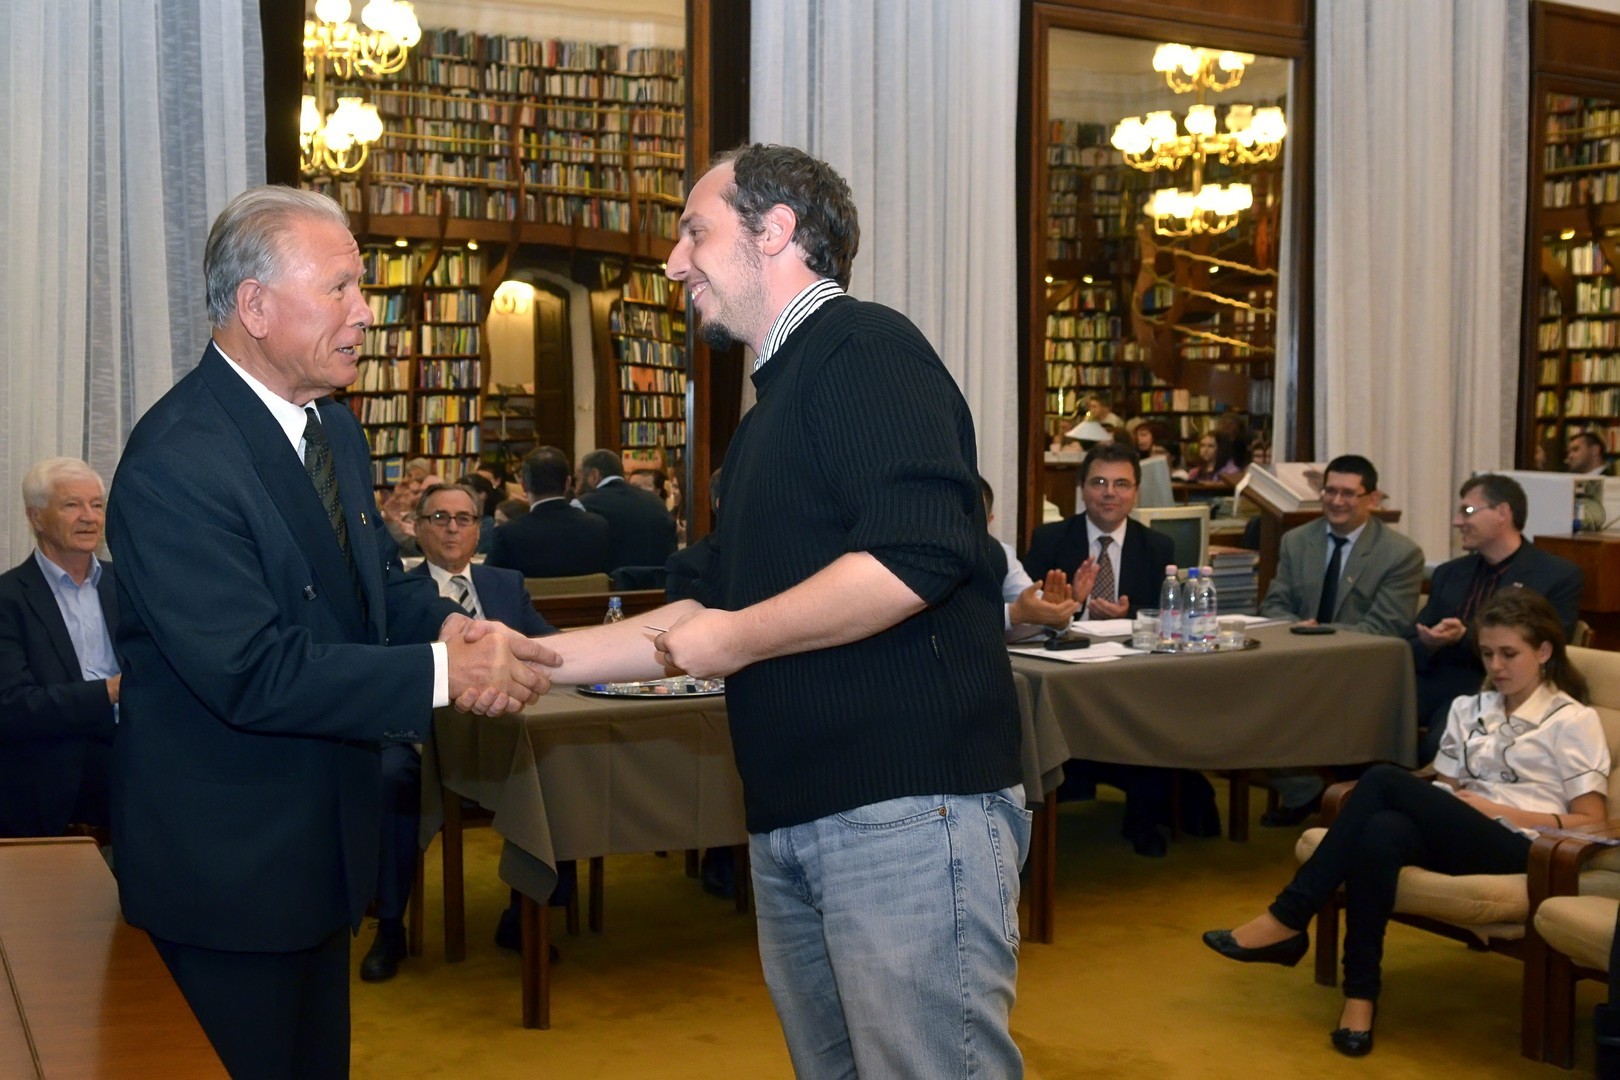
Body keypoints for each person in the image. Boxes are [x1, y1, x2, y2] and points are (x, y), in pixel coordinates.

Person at [531, 144, 1028, 1077]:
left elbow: (916, 555)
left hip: (902, 811)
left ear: (777, 230)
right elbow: (704, 608)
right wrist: (533, 657)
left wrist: (731, 636)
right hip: (800, 816)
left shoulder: (864, 347)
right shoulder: (770, 411)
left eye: (694, 232)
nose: (674, 262)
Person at [105, 185, 556, 1080]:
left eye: (362, 288)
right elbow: (254, 671)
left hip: (320, 854)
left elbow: (372, 590)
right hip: (230, 875)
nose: (365, 313)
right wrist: (446, 674)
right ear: (255, 306)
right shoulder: (176, 462)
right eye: (340, 288)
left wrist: (455, 627)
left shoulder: (334, 433)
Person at [1203, 589, 1609, 1058]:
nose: (1496, 666)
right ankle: (1360, 998)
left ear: (1544, 651)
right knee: (1380, 834)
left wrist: (1495, 811)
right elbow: (1445, 789)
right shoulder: (1469, 708)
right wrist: (1459, 807)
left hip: (1524, 846)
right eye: (1487, 654)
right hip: (1461, 834)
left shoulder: (1571, 720)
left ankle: (1288, 917)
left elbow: (1589, 820)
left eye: (1509, 654)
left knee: (1381, 779)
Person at [360, 483, 557, 983]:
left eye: (464, 519)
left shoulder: (505, 583)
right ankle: (390, 926)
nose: (452, 529)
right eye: (440, 518)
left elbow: (545, 644)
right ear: (417, 528)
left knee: (559, 761)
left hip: (500, 734)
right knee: (388, 776)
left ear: (478, 529)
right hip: (416, 736)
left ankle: (525, 914)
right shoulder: (397, 590)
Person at [1022, 441, 1215, 856]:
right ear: (1082, 489)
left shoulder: (1157, 546)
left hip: (1133, 675)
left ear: (1135, 492)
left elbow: (1168, 619)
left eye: (1121, 484)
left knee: (1157, 711)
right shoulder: (1051, 539)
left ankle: (1143, 821)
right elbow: (1029, 615)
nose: (1110, 493)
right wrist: (1071, 606)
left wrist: (1130, 616)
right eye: (1099, 483)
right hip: (1068, 672)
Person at [1408, 473, 1584, 764]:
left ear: (1503, 512)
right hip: (1433, 679)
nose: (1457, 522)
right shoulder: (1450, 573)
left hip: (1497, 688)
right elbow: (1412, 638)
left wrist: (1464, 637)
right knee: (1361, 719)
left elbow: (1549, 648)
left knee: (1441, 745)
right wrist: (1430, 642)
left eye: (1467, 511)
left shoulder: (1556, 576)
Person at [0, 458, 119, 838]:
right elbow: (12, 706)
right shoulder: (8, 599)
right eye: (72, 505)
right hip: (49, 794)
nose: (89, 517)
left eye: (96, 505)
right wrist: (109, 691)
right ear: (35, 517)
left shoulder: (128, 586)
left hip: (138, 780)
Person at [1258, 455, 1423, 638]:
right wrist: (1298, 627)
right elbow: (1273, 607)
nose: (1336, 502)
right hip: (1298, 647)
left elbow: (1385, 627)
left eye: (1348, 493)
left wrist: (1318, 632)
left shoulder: (1400, 554)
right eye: (1330, 491)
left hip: (1360, 652)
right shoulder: (1296, 541)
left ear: (1373, 499)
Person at [486, 446, 614, 578]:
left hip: (531, 592)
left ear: (523, 485)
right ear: (568, 483)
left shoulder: (507, 534)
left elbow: (487, 581)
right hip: (586, 592)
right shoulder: (598, 527)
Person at [980, 476, 1080, 642]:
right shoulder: (932, 558)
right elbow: (949, 621)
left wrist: (1055, 616)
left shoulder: (1000, 554)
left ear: (989, 520)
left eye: (973, 517)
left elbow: (1031, 604)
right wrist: (1013, 614)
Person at [576, 448, 679, 570]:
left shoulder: (582, 505)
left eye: (578, 479)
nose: (576, 488)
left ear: (594, 475)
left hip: (610, 580)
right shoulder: (656, 502)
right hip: (659, 580)